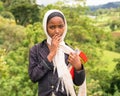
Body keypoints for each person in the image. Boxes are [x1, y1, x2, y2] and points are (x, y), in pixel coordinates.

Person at [29, 9, 86, 96]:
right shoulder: (36, 50)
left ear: (65, 27)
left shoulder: (70, 52)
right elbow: (33, 77)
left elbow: (78, 82)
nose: (57, 31)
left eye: (60, 26)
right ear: (46, 28)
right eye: (52, 27)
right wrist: (51, 54)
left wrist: (78, 67)